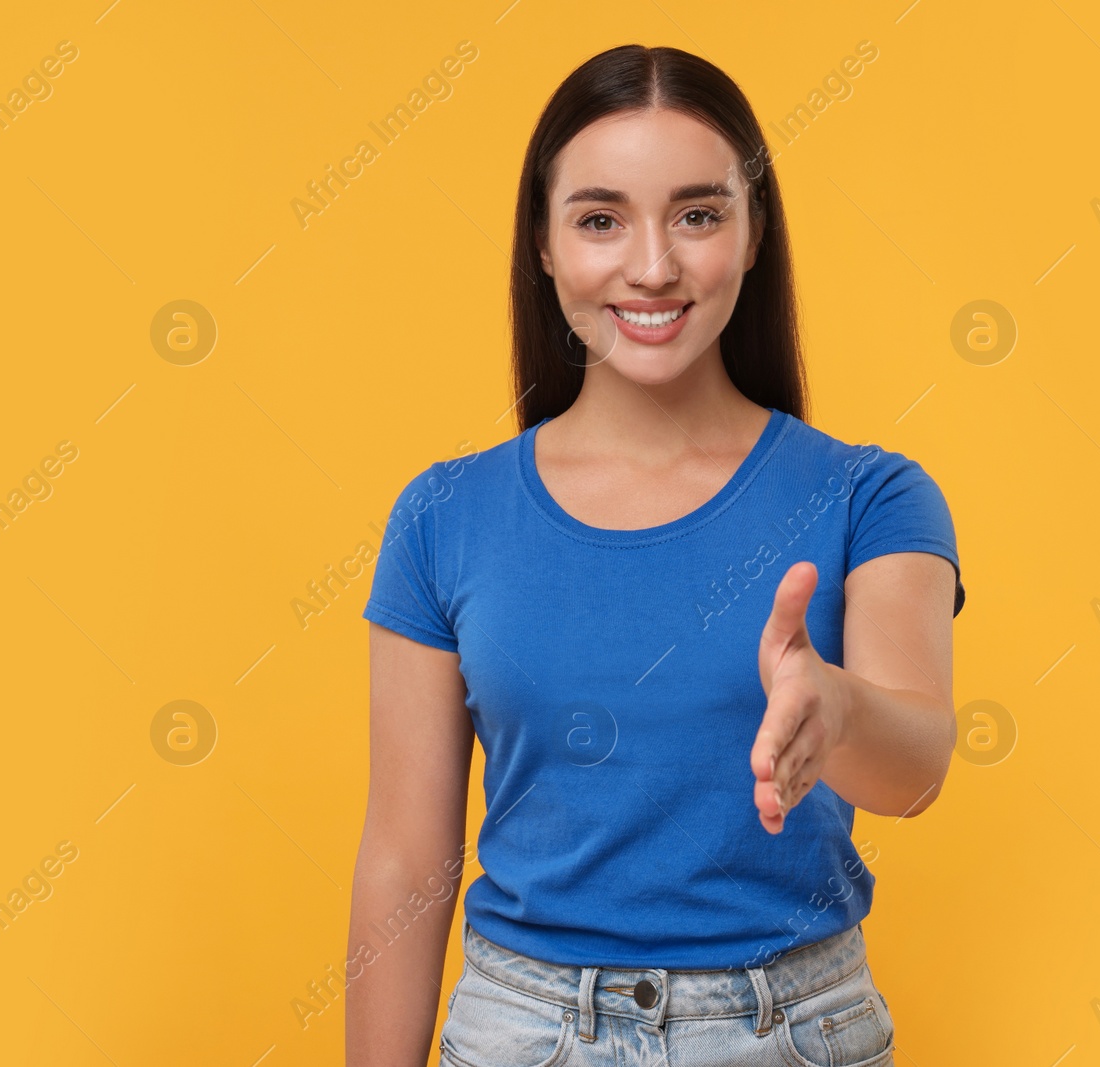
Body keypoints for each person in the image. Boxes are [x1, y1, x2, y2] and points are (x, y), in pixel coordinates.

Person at [346, 44, 964, 1067]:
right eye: (599, 219)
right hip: (520, 1030)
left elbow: (916, 772)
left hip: (794, 1029)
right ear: (542, 248)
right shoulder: (442, 515)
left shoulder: (872, 495)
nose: (651, 265)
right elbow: (404, 855)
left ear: (753, 231)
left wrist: (837, 708)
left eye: (697, 213)